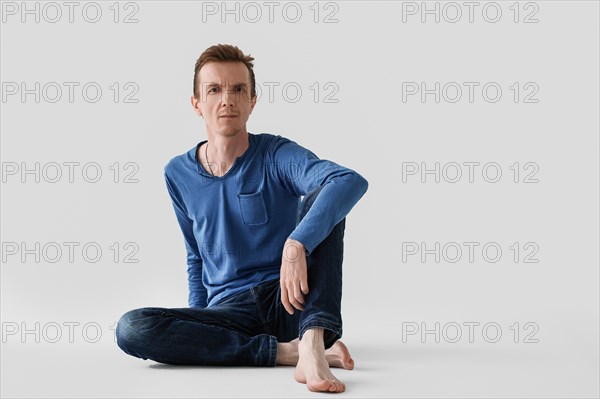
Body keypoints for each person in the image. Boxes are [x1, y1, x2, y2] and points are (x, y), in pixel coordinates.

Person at [115, 44, 369, 393]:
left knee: (326, 199)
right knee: (132, 327)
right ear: (196, 103)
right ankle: (287, 353)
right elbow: (196, 256)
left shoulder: (276, 154)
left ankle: (312, 341)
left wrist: (296, 244)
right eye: (214, 90)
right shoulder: (177, 173)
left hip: (290, 301)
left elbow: (348, 180)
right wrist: (198, 326)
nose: (227, 100)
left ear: (253, 101)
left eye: (238, 89)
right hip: (231, 315)